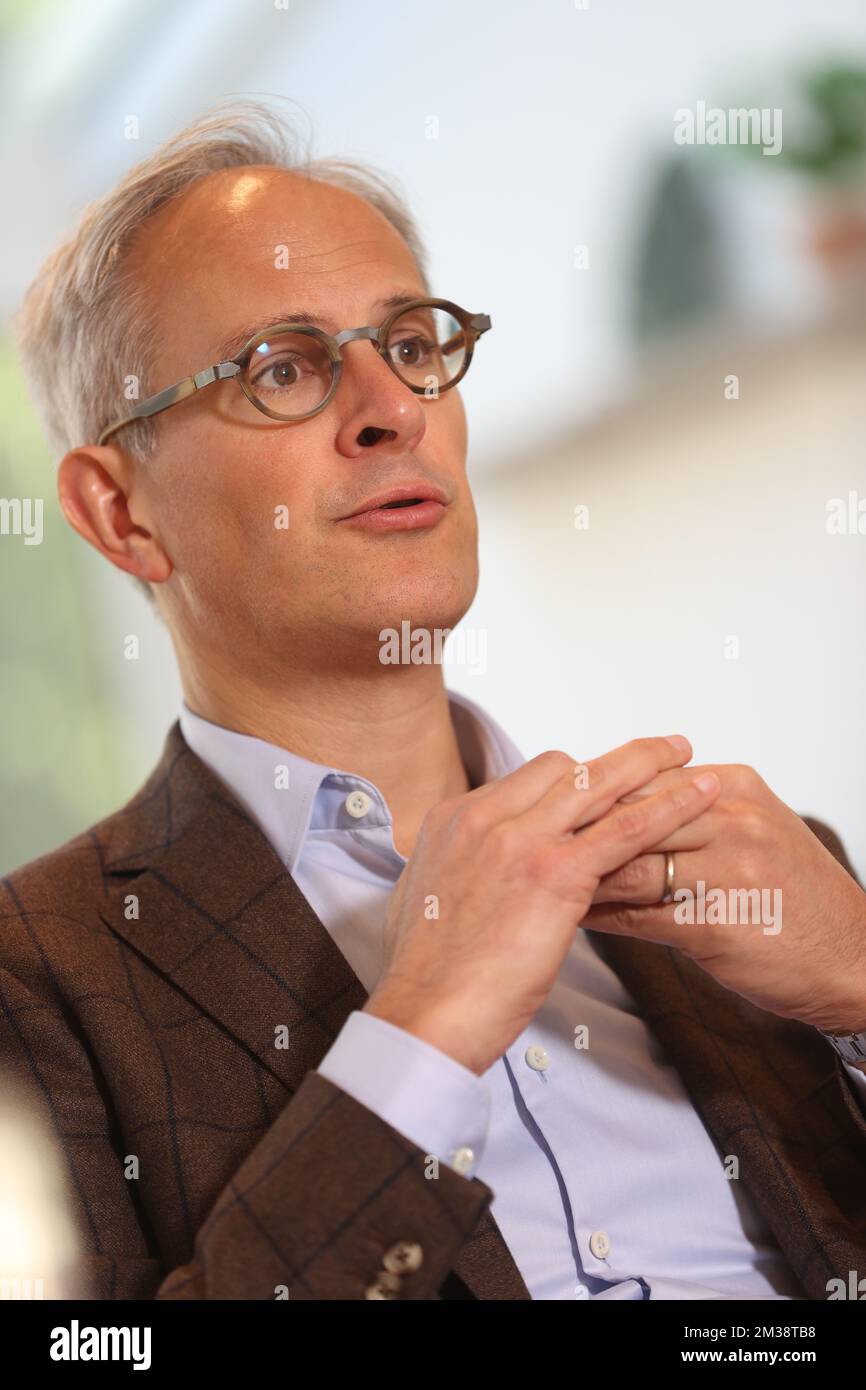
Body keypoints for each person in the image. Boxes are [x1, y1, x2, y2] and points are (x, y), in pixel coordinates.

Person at [4, 101, 866, 1301]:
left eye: (410, 345)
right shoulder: (34, 978)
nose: (391, 409)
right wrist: (420, 1034)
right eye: (285, 369)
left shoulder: (773, 880)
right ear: (119, 512)